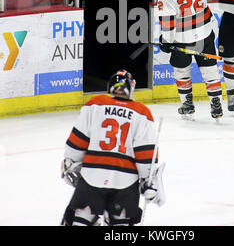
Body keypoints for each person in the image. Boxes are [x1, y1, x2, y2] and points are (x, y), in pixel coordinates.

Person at [61, 69, 165, 226]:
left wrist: (71, 165)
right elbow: (145, 151)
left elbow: (78, 140)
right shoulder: (142, 113)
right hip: (125, 181)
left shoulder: (94, 104)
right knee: (120, 222)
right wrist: (148, 181)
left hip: (92, 177)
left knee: (81, 219)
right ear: (130, 88)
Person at [157, 0, 223, 120]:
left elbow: (168, 22)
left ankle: (187, 105)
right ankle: (216, 106)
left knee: (181, 71)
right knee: (210, 71)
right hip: (205, 32)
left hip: (182, 38)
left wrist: (166, 41)